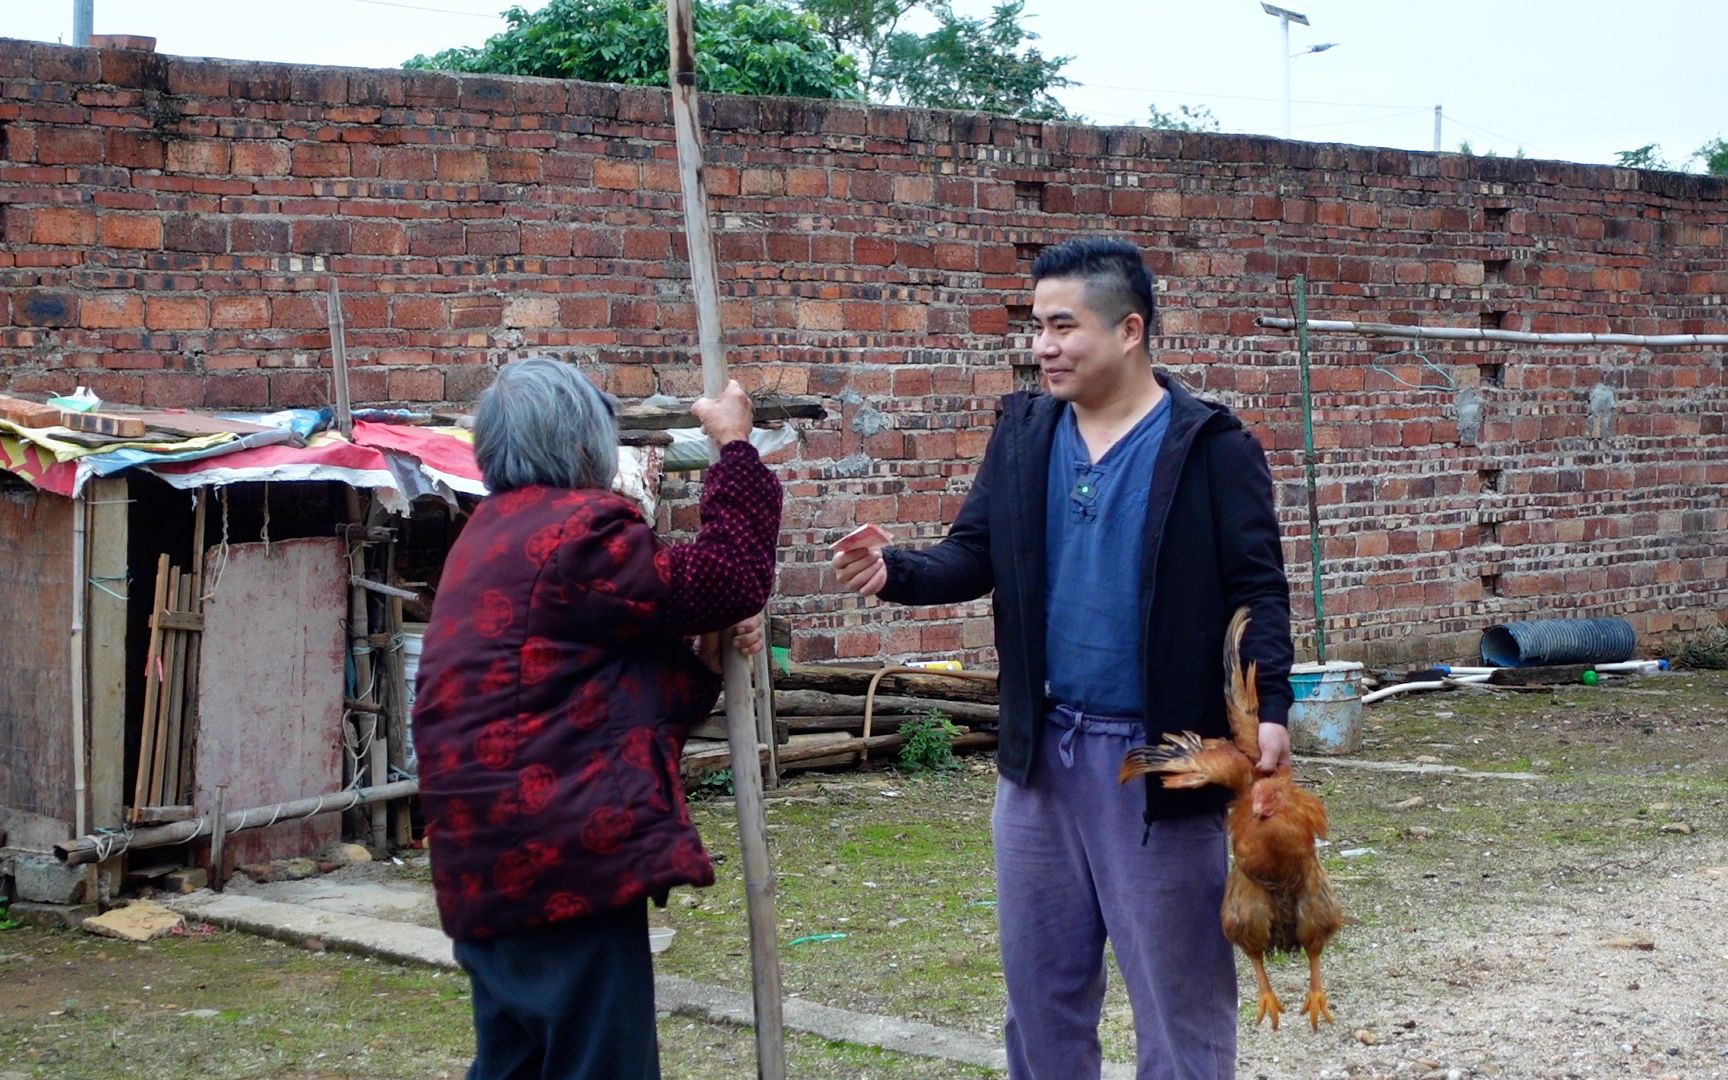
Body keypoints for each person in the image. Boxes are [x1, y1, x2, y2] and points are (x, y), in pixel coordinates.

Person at [833, 237, 1295, 1079]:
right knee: (1041, 996)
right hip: (1041, 754)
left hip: (1163, 763)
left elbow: (1259, 590)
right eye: (1035, 326)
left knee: (1178, 999)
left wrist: (1273, 711)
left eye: (1061, 326)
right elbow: (976, 551)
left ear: (1129, 330)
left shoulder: (1210, 448)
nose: (1042, 345)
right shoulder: (1025, 433)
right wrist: (893, 569)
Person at [412, 356, 782, 1080]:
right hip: (560, 862)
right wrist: (736, 449)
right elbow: (729, 576)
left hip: (485, 866)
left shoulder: (487, 539)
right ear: (584, 442)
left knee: (518, 1064)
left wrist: (703, 660)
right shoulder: (575, 532)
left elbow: (587, 704)